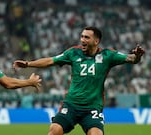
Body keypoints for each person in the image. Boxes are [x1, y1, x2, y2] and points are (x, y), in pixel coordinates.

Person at [13, 26, 145, 135]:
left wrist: (137, 55)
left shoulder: (107, 55)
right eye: (82, 36)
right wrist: (28, 64)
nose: (82, 39)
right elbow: (50, 60)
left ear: (96, 41)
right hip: (71, 105)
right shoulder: (73, 53)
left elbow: (131, 59)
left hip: (92, 108)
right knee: (54, 131)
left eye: (86, 37)